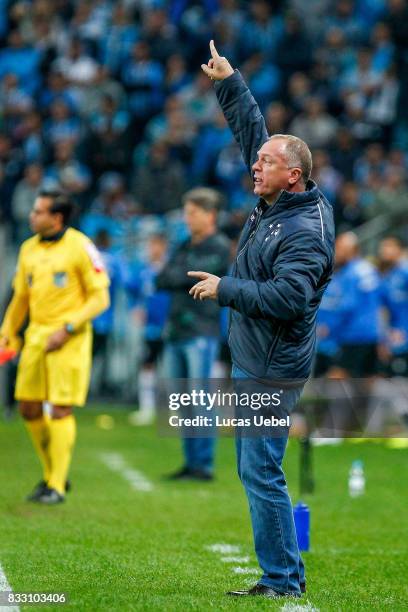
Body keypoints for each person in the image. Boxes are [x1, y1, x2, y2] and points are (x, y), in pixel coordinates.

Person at [188, 41, 335, 598]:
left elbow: (290, 299)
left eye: (267, 163)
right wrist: (229, 81)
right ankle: (281, 575)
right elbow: (256, 135)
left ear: (292, 175)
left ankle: (283, 580)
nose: (256, 164)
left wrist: (226, 289)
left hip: (271, 367)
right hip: (256, 356)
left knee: (261, 471)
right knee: (254, 469)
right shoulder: (280, 197)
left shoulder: (303, 231)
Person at [0, 191, 110, 504]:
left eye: (39, 212)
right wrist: (7, 331)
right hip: (36, 336)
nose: (32, 216)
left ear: (56, 218)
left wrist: (69, 327)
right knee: (28, 407)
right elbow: (20, 297)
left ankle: (57, 486)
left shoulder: (81, 246)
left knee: (60, 408)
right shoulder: (28, 249)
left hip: (69, 338)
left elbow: (101, 298)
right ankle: (53, 473)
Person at [156, 187, 230, 480]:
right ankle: (191, 462)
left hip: (201, 330)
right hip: (176, 330)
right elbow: (164, 278)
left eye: (193, 213)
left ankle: (204, 464)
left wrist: (178, 275)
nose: (187, 219)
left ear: (209, 215)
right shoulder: (184, 245)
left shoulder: (219, 246)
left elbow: (190, 279)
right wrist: (180, 275)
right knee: (182, 402)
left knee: (200, 398)